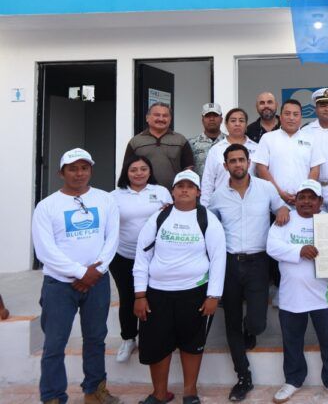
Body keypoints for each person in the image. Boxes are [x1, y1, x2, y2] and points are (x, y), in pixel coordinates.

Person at [32, 148, 121, 404]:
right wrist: (82, 273)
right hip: (59, 284)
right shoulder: (47, 206)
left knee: (95, 339)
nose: (79, 173)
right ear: (62, 173)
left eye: (84, 168)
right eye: (72, 168)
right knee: (54, 344)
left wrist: (96, 272)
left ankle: (94, 391)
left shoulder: (105, 200)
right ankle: (53, 397)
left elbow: (111, 239)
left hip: (97, 281)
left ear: (90, 170)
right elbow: (45, 250)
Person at [133, 170, 226, 404]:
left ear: (198, 192)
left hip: (194, 293)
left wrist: (214, 295)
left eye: (190, 186)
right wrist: (140, 294)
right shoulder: (158, 218)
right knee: (158, 345)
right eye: (180, 186)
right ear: (172, 191)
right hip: (157, 294)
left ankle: (190, 392)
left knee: (192, 344)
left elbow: (218, 259)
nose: (184, 189)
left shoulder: (207, 219)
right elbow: (142, 257)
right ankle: (160, 393)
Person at [207, 143, 290, 401]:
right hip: (229, 263)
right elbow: (209, 226)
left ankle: (249, 329)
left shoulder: (266, 189)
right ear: (226, 166)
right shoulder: (218, 195)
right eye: (232, 161)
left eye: (241, 160)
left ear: (248, 161)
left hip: (258, 262)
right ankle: (243, 377)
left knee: (257, 322)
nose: (238, 165)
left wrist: (284, 210)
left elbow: (281, 207)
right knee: (231, 320)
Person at [266, 179, 328, 404]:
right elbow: (271, 247)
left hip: (324, 296)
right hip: (292, 296)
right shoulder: (285, 220)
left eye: (312, 197)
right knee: (292, 341)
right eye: (302, 197)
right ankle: (293, 380)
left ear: (320, 201)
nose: (307, 201)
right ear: (296, 200)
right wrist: (299, 250)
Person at [110, 156, 172, 364]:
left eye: (143, 169)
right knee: (128, 298)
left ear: (150, 171)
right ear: (126, 173)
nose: (139, 173)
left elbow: (171, 217)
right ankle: (128, 338)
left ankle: (149, 338)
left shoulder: (161, 192)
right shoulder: (114, 196)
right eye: (133, 169)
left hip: (154, 256)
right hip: (123, 256)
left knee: (152, 298)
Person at [256, 99, 324, 206]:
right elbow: (261, 168)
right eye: (287, 114)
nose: (291, 118)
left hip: (304, 201)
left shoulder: (311, 139)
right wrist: (279, 193)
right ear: (281, 116)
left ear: (300, 117)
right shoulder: (268, 138)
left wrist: (303, 193)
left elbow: (315, 169)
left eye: (295, 114)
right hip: (274, 199)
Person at [122, 102, 194, 189]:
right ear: (147, 118)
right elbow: (127, 169)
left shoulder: (180, 140)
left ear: (170, 119)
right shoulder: (135, 142)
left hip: (173, 194)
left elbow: (188, 168)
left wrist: (182, 189)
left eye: (165, 116)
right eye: (157, 115)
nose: (161, 119)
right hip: (142, 194)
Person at [200, 108, 260, 206]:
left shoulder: (257, 148)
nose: (237, 124)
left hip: (252, 202)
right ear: (226, 125)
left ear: (246, 125)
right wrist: (205, 208)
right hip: (222, 203)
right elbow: (208, 182)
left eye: (241, 120)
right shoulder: (216, 149)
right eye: (233, 121)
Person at [188, 102, 225, 178]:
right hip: (200, 188)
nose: (211, 119)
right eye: (208, 116)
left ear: (221, 119)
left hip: (224, 188)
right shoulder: (191, 144)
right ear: (202, 120)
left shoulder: (229, 142)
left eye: (215, 115)